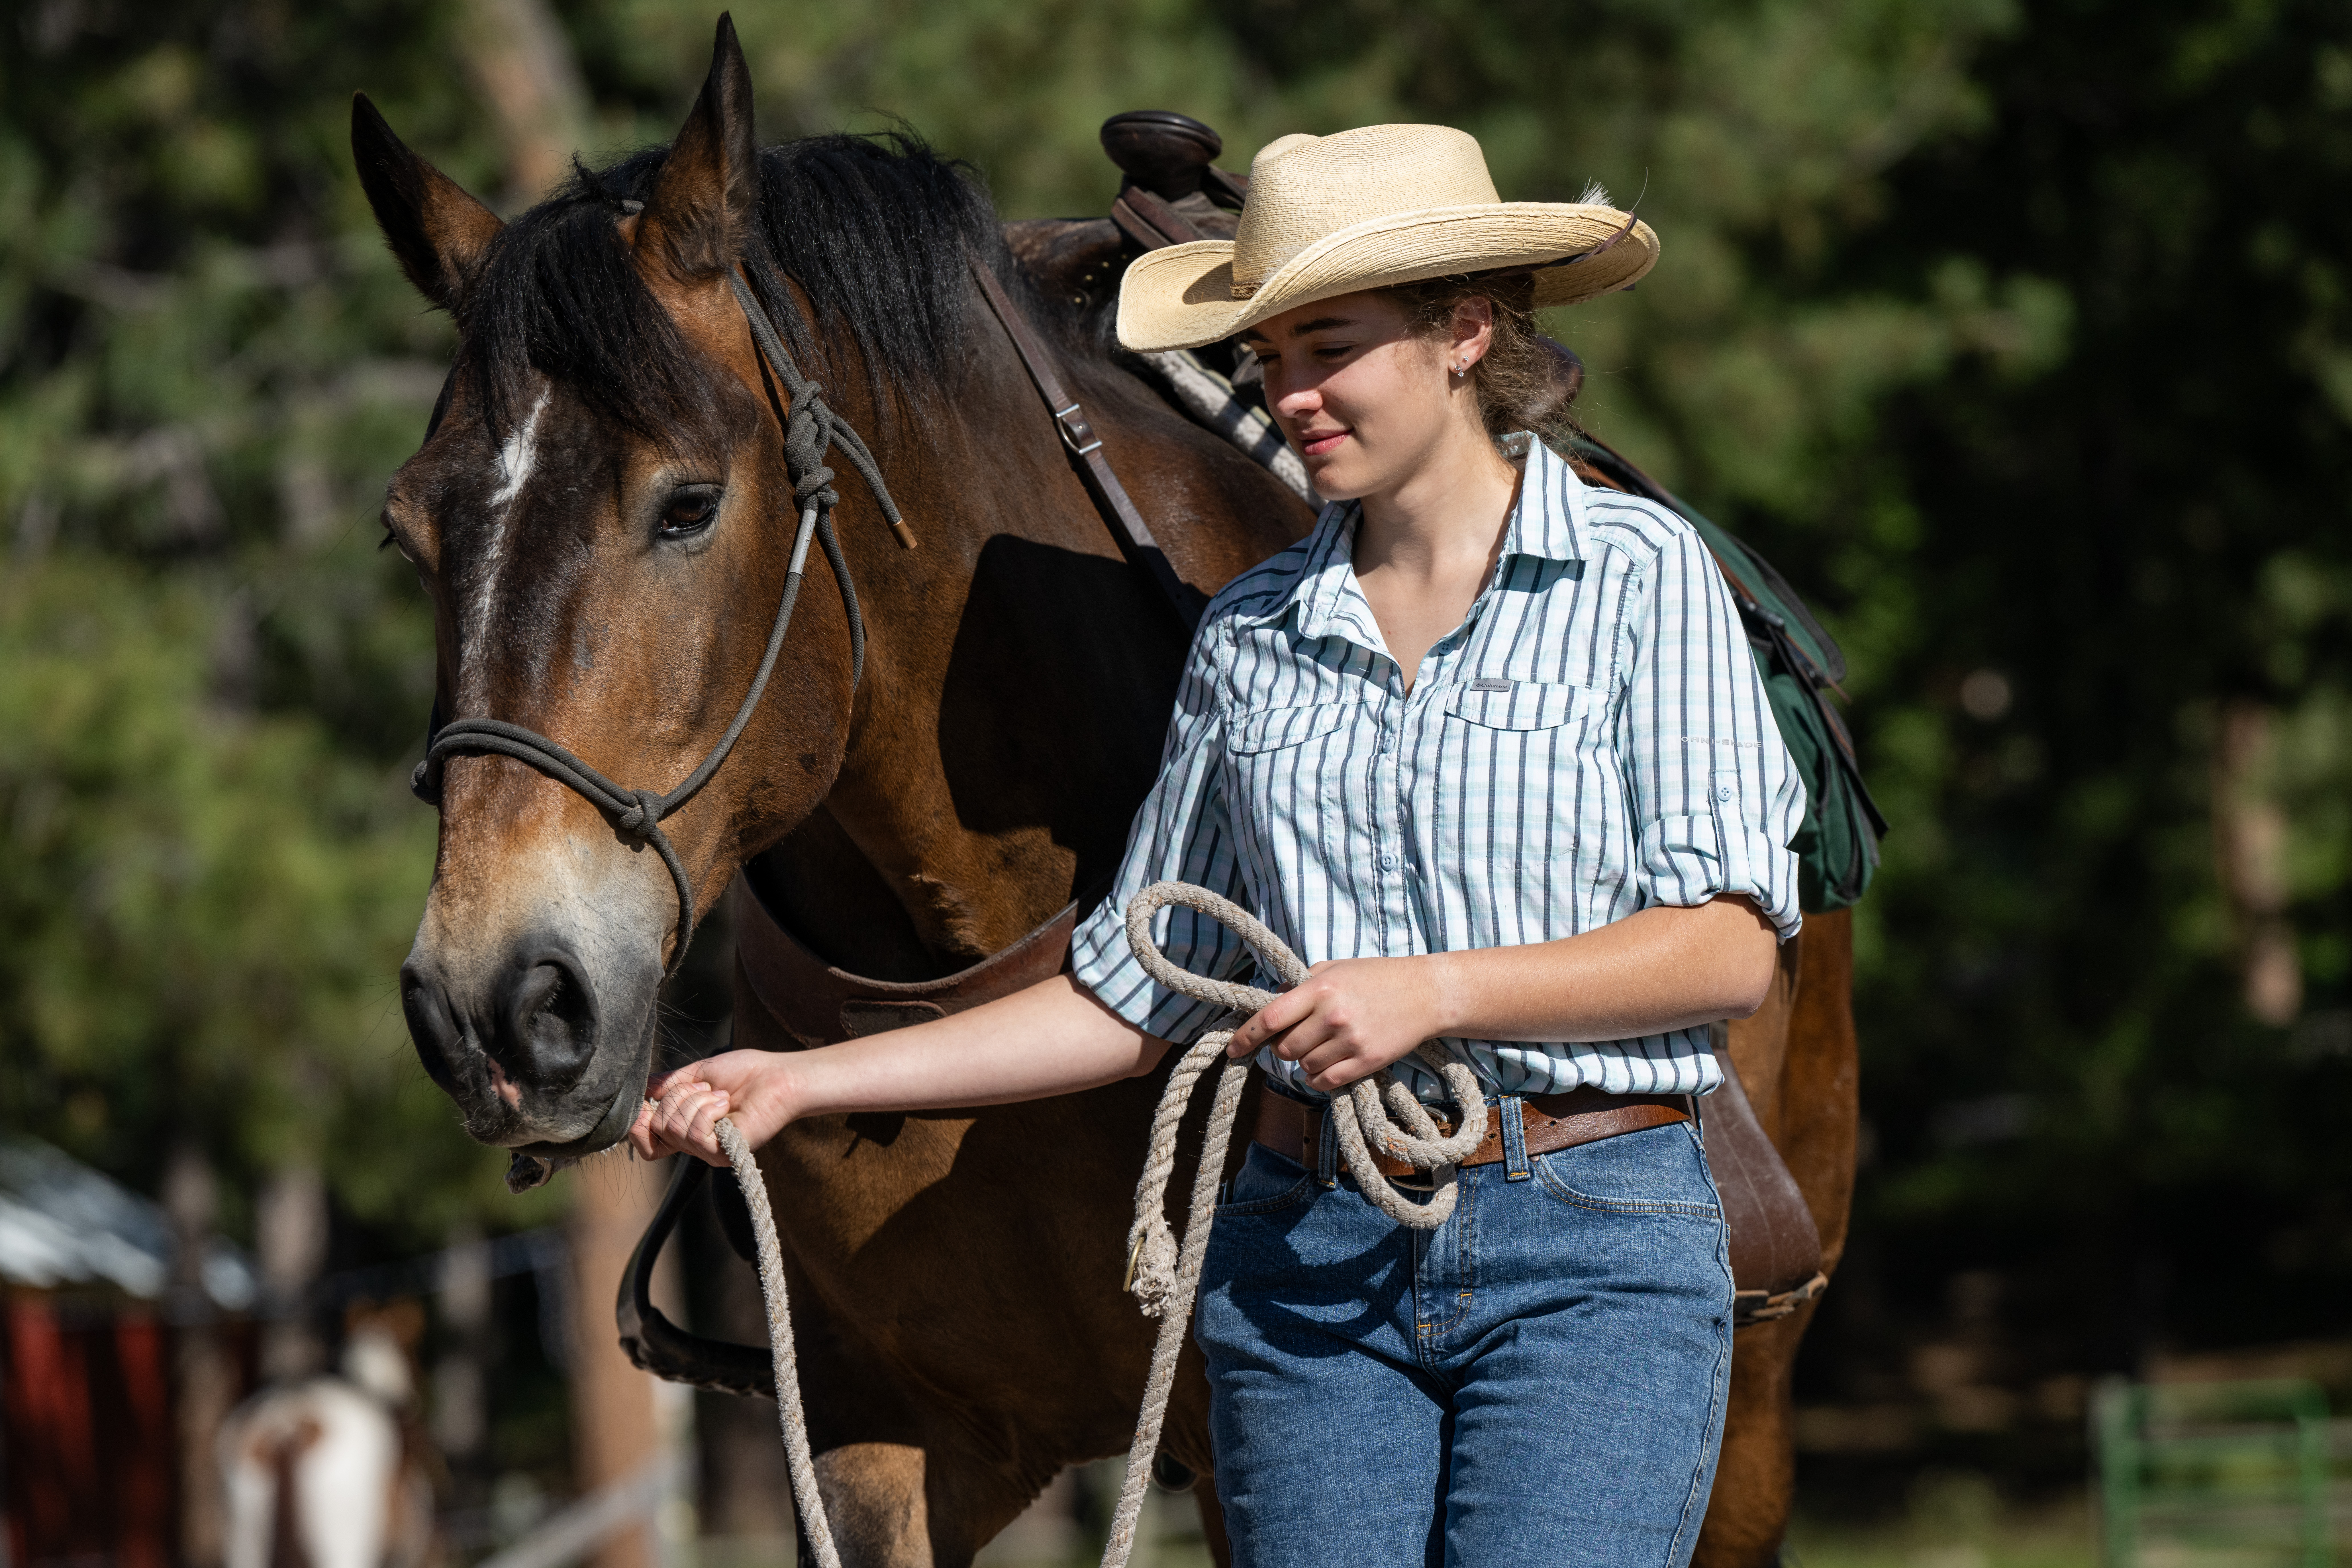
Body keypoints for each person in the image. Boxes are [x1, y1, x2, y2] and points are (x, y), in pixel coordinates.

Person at [631, 122, 1804, 1568]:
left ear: (1464, 331)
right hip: (1304, 1251)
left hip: (1590, 1236)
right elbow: (1136, 988)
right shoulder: (1255, 634)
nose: (1291, 393)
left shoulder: (1640, 579)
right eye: (1268, 356)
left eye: (1332, 344)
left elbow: (1729, 944)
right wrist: (801, 1079)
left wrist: (1431, 992)